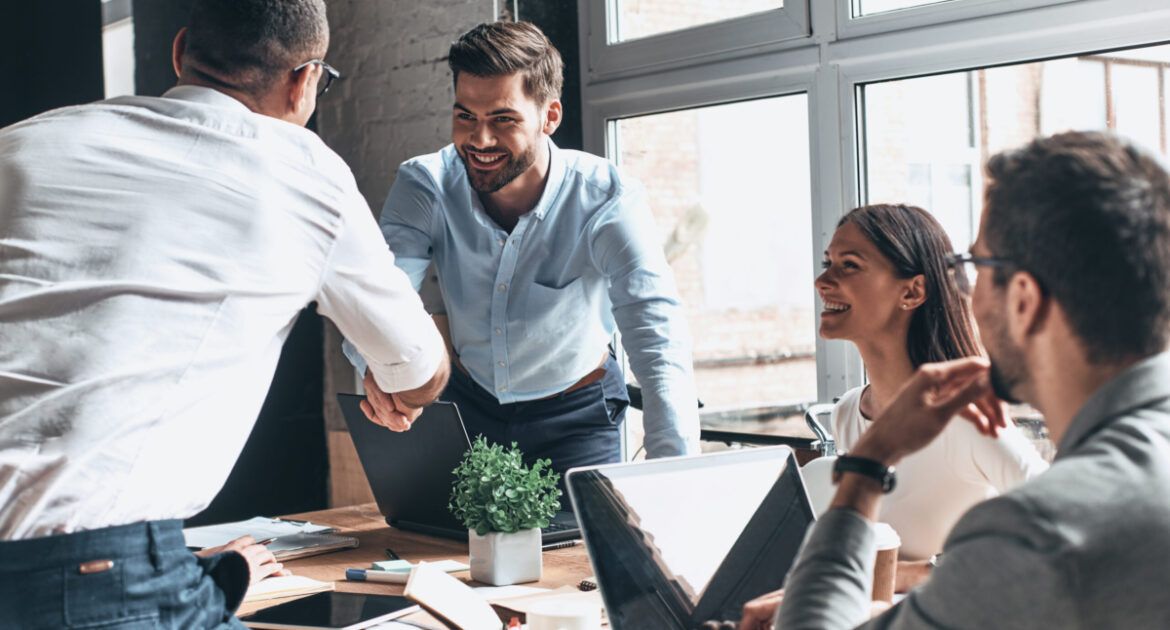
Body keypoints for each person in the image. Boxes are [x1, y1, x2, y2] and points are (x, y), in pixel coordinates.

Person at [0, 0, 448, 626]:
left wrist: (195, 569)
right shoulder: (302, 169)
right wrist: (392, 377)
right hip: (92, 576)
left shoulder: (23, 144)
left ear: (180, 52)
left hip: (110, 562)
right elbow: (417, 371)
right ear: (305, 81)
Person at [769, 131, 1170, 629]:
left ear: (1023, 298)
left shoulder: (1038, 531)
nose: (962, 292)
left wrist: (867, 466)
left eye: (973, 267)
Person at [345, 21, 700, 481]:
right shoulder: (426, 184)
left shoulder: (607, 199)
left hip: (577, 417)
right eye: (465, 116)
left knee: (585, 552)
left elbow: (657, 335)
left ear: (549, 117)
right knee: (446, 549)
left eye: (503, 119)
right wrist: (377, 368)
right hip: (467, 406)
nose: (480, 140)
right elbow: (377, 295)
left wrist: (675, 474)